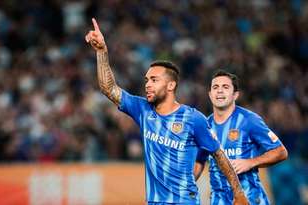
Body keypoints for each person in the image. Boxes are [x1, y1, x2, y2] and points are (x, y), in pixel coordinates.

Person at [85, 18, 249, 205]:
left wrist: (239, 193)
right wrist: (101, 52)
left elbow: (219, 155)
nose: (147, 84)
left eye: (154, 80)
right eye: (147, 80)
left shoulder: (193, 119)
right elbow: (109, 88)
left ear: (171, 85)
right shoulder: (143, 110)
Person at [194, 70, 288, 205]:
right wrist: (187, 185)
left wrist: (250, 162)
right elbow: (199, 161)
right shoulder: (205, 126)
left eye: (225, 87)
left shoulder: (249, 120)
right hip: (219, 199)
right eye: (215, 87)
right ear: (210, 95)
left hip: (250, 197)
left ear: (235, 95)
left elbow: (281, 152)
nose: (219, 91)